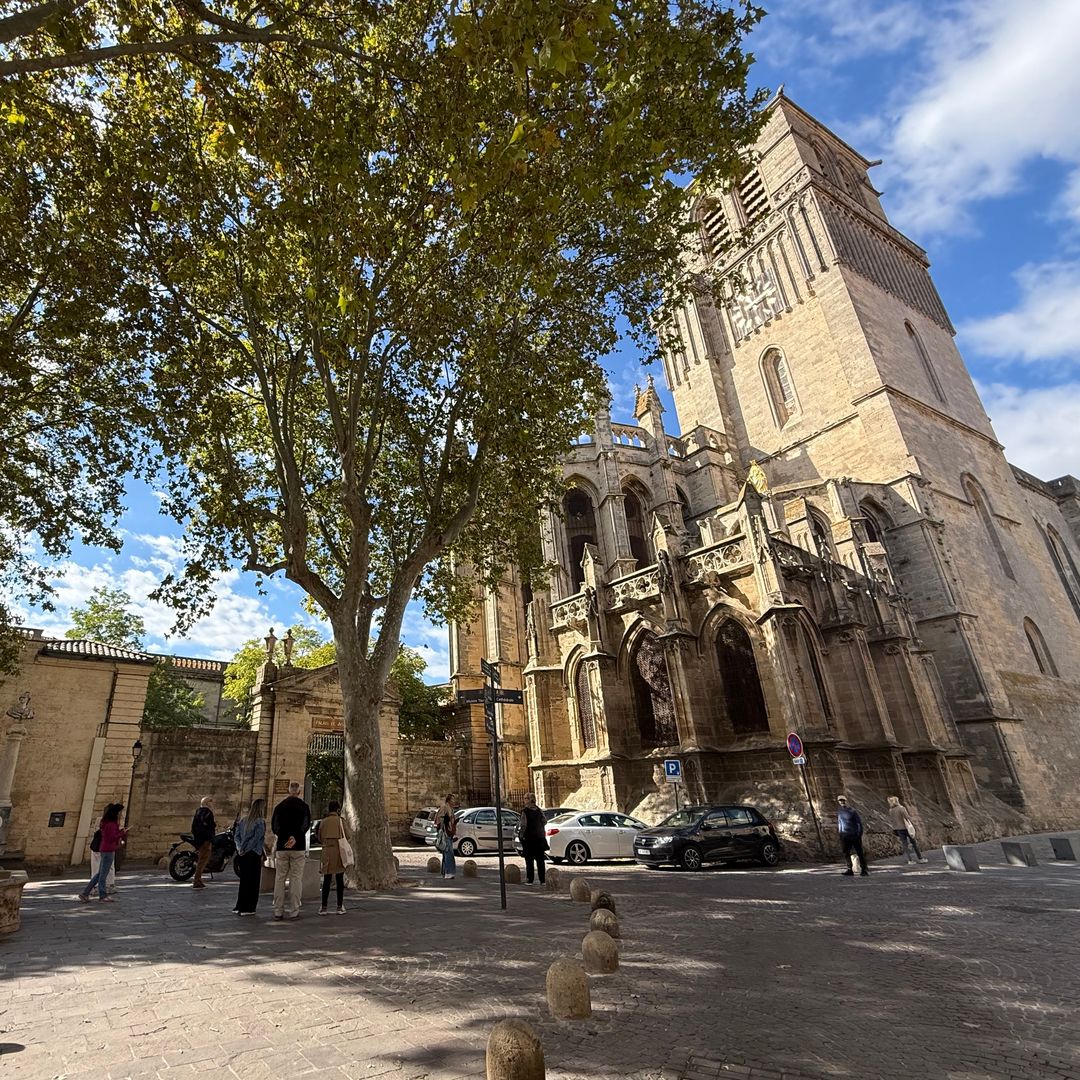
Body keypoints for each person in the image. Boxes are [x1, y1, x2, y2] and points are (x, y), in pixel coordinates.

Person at [270, 781, 311, 920]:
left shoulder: (279, 807)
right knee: (296, 878)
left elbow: (274, 826)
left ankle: (278, 910)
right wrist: (295, 837)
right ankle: (294, 909)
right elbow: (305, 825)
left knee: (280, 878)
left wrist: (284, 837)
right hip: (298, 846)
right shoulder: (304, 807)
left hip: (282, 846)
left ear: (289, 791)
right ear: (299, 792)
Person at [78, 803, 127, 902]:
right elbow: (111, 837)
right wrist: (122, 833)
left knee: (100, 873)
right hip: (108, 849)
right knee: (103, 874)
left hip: (105, 848)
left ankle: (85, 893)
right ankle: (102, 895)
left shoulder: (105, 823)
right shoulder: (111, 824)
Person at [233, 799, 266, 916]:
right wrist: (246, 849)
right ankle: (249, 908)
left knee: (244, 880)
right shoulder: (260, 822)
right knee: (253, 881)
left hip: (242, 854)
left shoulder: (243, 820)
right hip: (253, 853)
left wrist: (239, 848)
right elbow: (256, 838)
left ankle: (239, 905)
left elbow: (236, 836)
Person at [318, 801, 350, 915]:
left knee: (327, 879)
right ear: (338, 810)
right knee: (339, 879)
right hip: (339, 851)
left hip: (327, 851)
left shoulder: (323, 822)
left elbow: (320, 837)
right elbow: (348, 835)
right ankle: (339, 906)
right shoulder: (341, 821)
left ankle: (324, 907)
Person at [89, 802, 119, 895]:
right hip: (106, 847)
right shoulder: (111, 822)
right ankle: (109, 885)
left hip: (97, 846)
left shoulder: (100, 819)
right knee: (108, 866)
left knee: (97, 866)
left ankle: (95, 887)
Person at [888, 795, 928, 864]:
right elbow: (907, 817)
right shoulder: (901, 808)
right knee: (914, 843)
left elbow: (892, 820)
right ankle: (920, 858)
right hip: (906, 828)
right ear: (896, 801)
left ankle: (910, 860)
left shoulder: (891, 810)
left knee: (905, 844)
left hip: (898, 829)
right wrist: (913, 824)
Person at [518, 793, 548, 886]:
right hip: (539, 838)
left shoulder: (525, 811)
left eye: (525, 798)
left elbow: (523, 825)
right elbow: (544, 821)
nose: (524, 800)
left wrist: (521, 835)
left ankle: (530, 880)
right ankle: (542, 880)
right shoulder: (539, 810)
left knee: (529, 860)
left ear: (529, 800)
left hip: (529, 839)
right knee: (540, 861)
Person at [836, 795, 869, 877]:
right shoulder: (840, 811)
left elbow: (858, 823)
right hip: (845, 835)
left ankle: (864, 869)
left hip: (854, 835)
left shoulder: (852, 811)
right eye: (840, 801)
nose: (842, 802)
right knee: (846, 852)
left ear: (846, 801)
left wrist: (859, 833)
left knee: (859, 852)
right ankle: (849, 869)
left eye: (843, 800)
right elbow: (840, 822)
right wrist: (840, 832)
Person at [191, 796, 216, 889]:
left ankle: (198, 880)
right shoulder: (208, 813)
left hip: (199, 840)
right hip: (206, 840)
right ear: (207, 803)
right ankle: (197, 881)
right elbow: (210, 826)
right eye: (211, 801)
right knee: (202, 861)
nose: (212, 803)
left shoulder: (198, 811)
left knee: (201, 860)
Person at [436, 793, 458, 880]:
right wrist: (442, 830)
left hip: (450, 833)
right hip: (446, 833)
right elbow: (440, 819)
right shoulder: (445, 808)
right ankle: (449, 872)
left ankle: (445, 872)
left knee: (447, 853)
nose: (454, 801)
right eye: (452, 799)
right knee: (449, 853)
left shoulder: (451, 809)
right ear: (449, 800)